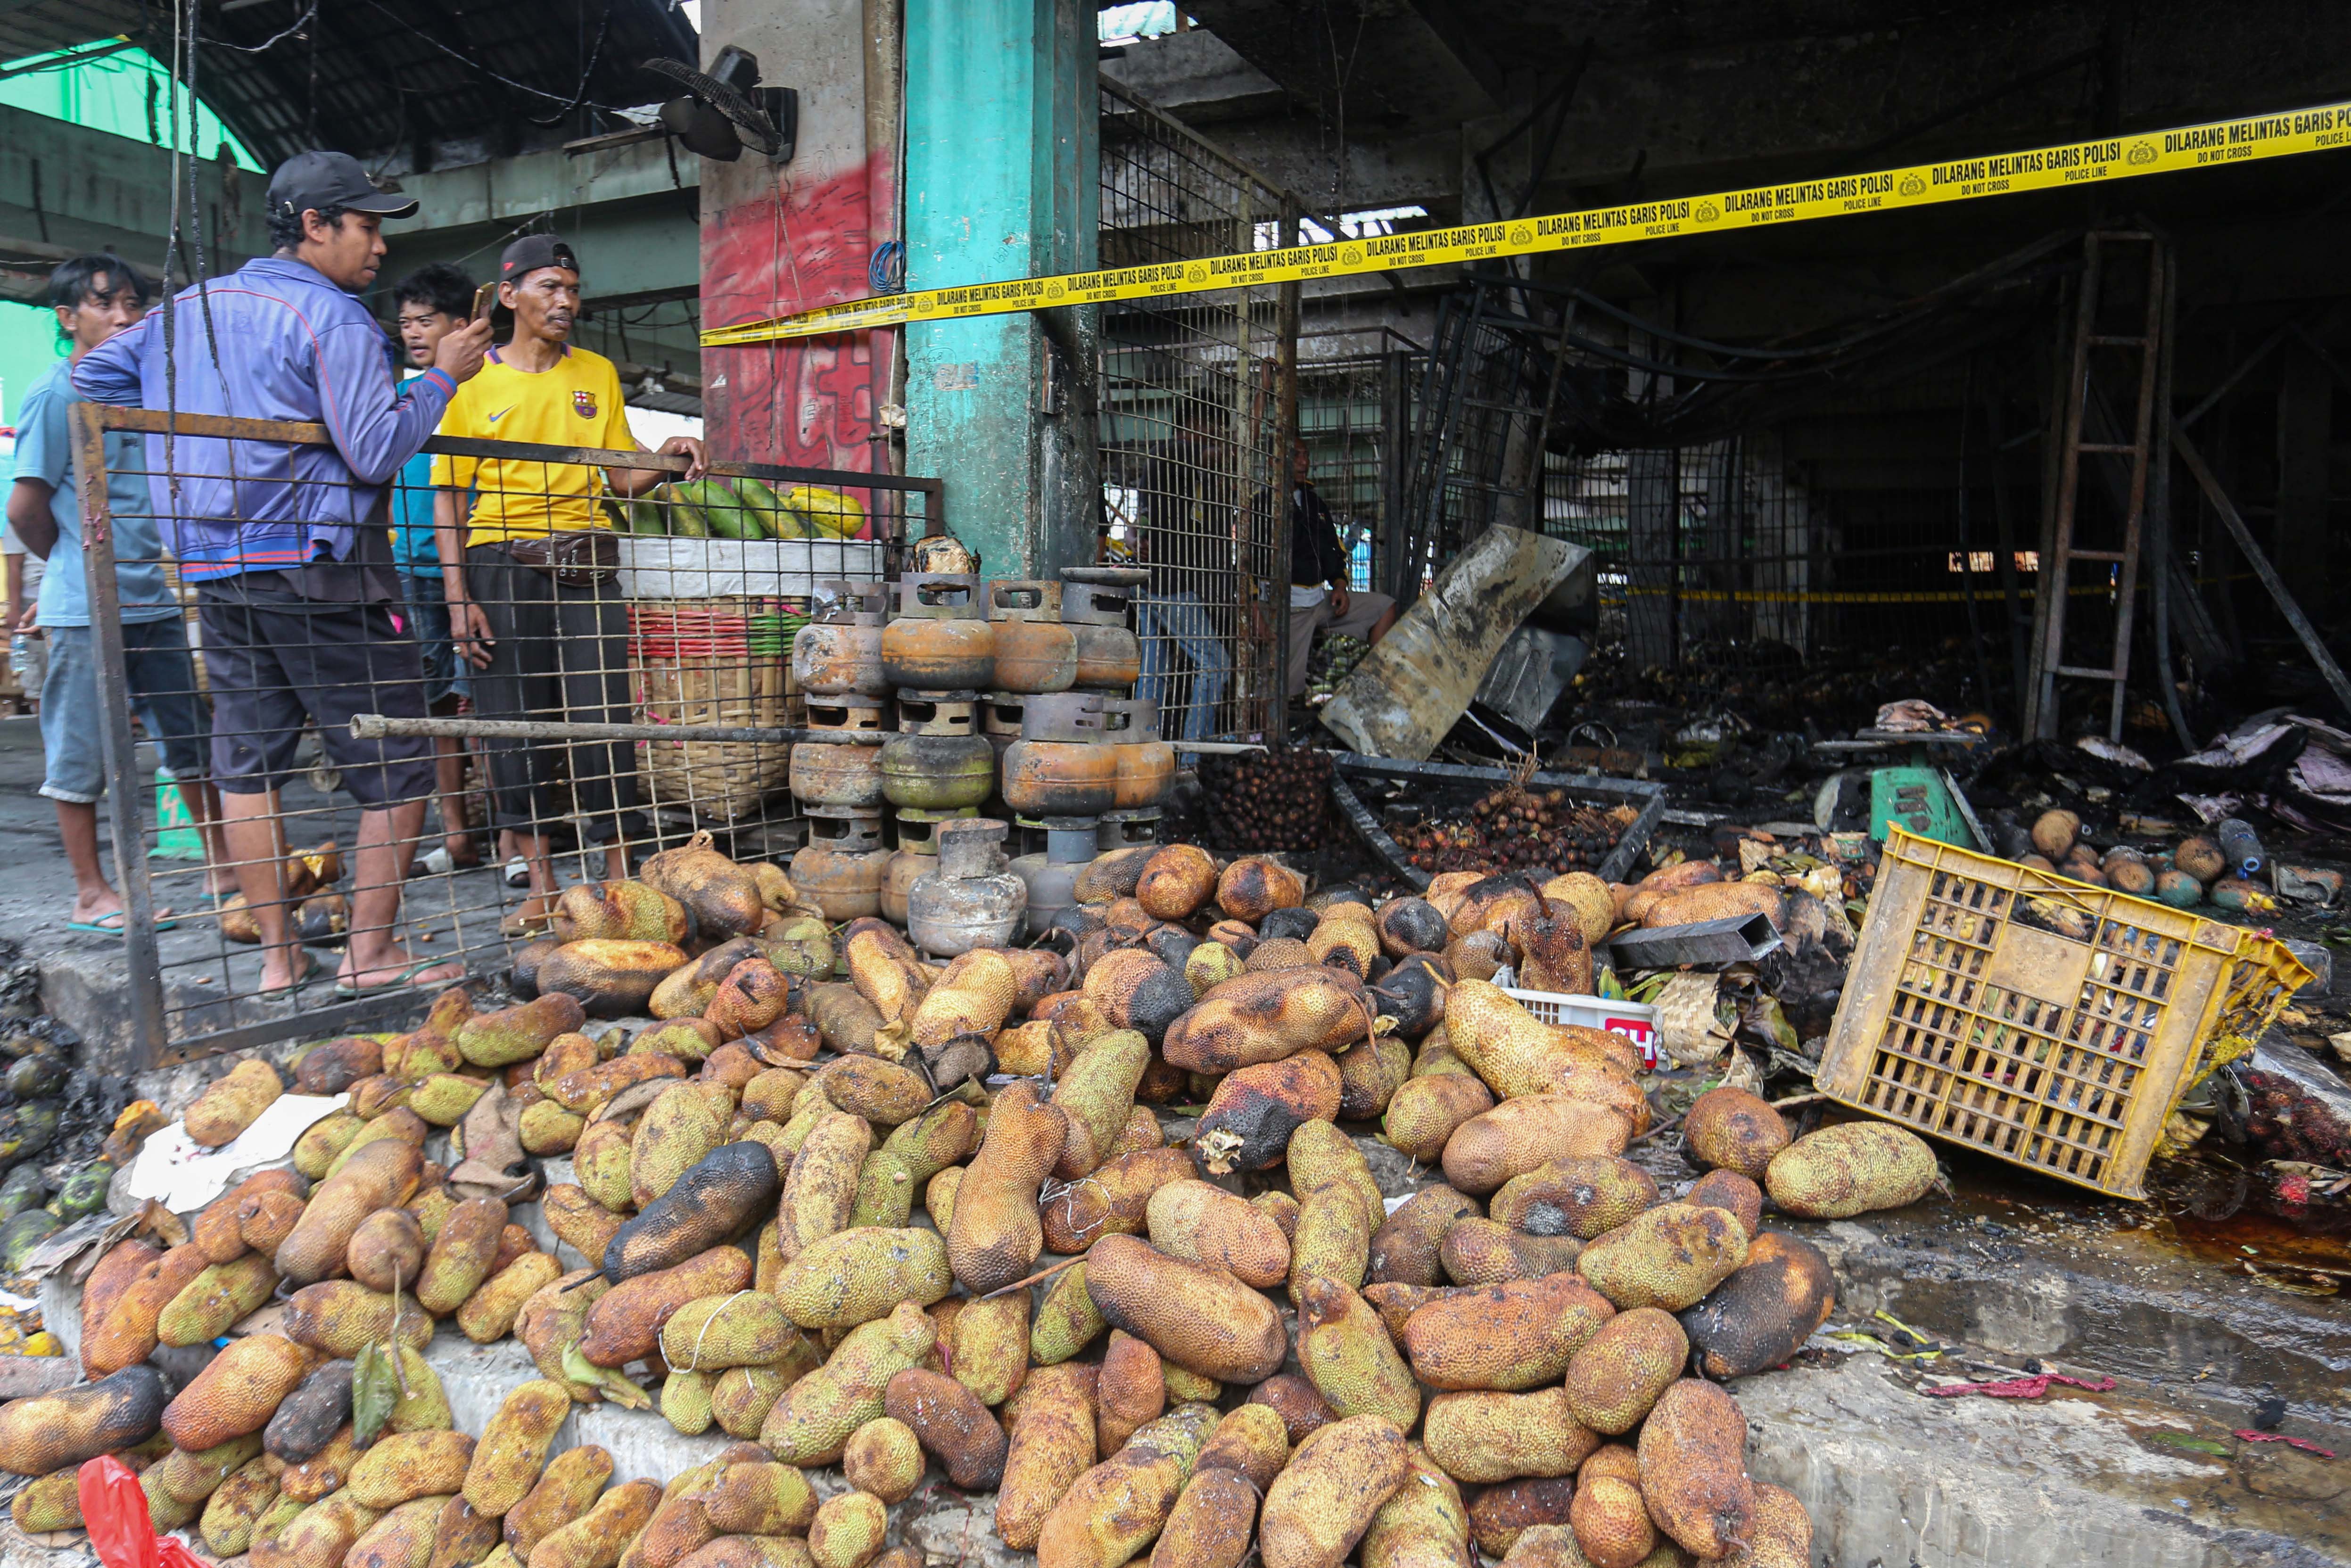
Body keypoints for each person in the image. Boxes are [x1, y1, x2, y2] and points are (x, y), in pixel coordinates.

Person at [74, 150, 494, 996]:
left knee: (249, 764)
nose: (377, 247)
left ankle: (278, 961)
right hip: (319, 569)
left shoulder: (186, 310)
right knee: (398, 758)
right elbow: (373, 450)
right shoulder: (332, 319)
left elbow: (90, 376)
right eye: (366, 226)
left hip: (214, 572)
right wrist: (445, 372)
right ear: (314, 226)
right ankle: (369, 957)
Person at [433, 233, 706, 935]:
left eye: (573, 289)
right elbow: (448, 498)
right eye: (550, 286)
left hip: (586, 560)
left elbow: (621, 476)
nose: (565, 301)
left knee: (603, 715)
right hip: (500, 561)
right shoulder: (469, 380)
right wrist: (458, 597)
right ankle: (542, 885)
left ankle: (616, 878)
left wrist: (667, 457)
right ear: (509, 296)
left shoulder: (596, 374)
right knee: (514, 721)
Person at [12, 254, 235, 931]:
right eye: (104, 304)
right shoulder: (58, 394)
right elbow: (25, 509)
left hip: (155, 601)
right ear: (67, 316)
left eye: (132, 305)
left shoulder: (140, 391)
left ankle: (226, 871)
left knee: (191, 742)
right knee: (81, 752)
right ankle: (92, 892)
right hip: (87, 610)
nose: (121, 317)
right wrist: (71, 570)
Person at [389, 263, 484, 873]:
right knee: (436, 710)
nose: (414, 334)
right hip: (408, 571)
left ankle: (509, 843)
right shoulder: (402, 397)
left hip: (474, 568)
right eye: (406, 324)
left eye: (427, 321)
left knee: (485, 705)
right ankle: (456, 836)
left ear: (463, 325)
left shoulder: (487, 390)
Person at [1285, 439, 1394, 699]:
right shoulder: (1262, 503)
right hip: (1288, 609)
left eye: (1306, 455)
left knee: (1384, 607)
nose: (1304, 462)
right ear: (1274, 460)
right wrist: (1256, 606)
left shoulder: (1316, 504)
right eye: (1296, 456)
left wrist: (1341, 587)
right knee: (1284, 693)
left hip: (1319, 601)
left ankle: (1371, 689)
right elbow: (1251, 565)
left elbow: (1334, 553)